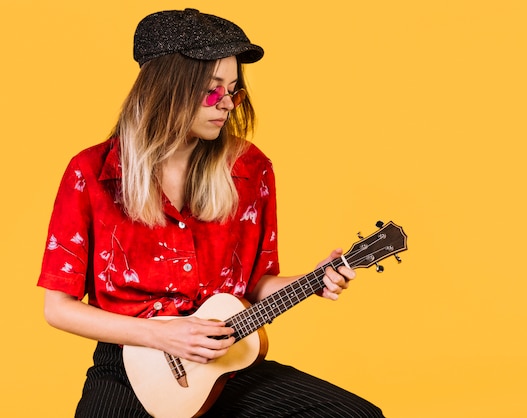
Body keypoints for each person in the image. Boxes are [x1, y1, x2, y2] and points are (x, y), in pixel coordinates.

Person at [38, 8, 384, 418]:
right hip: (131, 368)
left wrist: (315, 280)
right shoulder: (92, 173)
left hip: (227, 366)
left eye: (233, 91)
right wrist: (163, 335)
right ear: (166, 88)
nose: (227, 105)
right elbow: (57, 307)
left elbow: (256, 287)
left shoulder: (251, 169)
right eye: (212, 90)